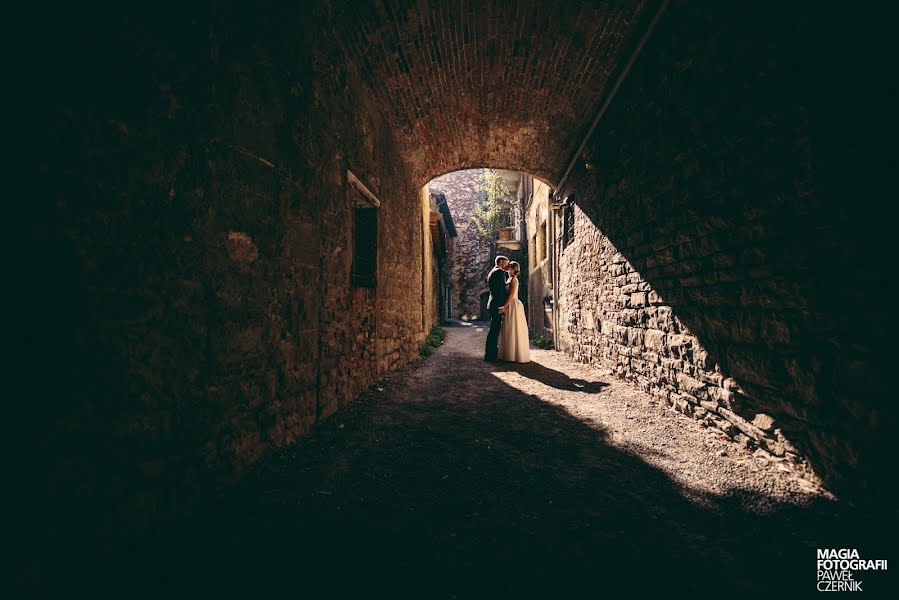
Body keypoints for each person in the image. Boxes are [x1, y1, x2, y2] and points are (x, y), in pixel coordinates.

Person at [497, 261, 531, 363]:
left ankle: (516, 354)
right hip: (510, 304)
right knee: (509, 328)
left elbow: (511, 295)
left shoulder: (514, 280)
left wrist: (504, 306)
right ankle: (509, 354)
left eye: (509, 267)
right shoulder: (509, 279)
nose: (507, 268)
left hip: (513, 305)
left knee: (514, 328)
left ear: (512, 269)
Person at [484, 255, 510, 362]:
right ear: (501, 262)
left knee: (493, 330)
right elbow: (499, 291)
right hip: (496, 305)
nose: (507, 265)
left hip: (492, 304)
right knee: (494, 331)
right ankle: (490, 356)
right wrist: (501, 306)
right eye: (506, 263)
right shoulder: (498, 272)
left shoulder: (492, 272)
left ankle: (490, 354)